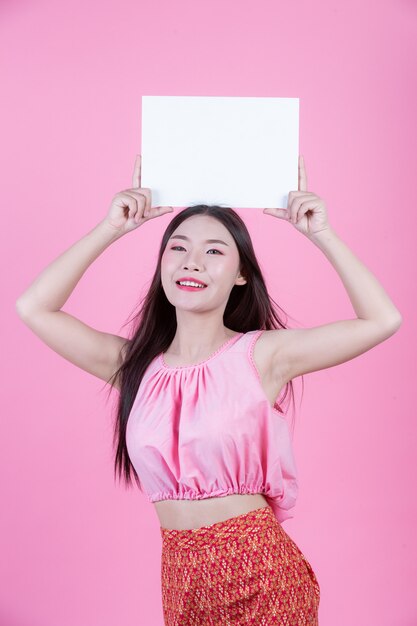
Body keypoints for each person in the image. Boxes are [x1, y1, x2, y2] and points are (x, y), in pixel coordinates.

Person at [16, 154, 402, 625]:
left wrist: (320, 233)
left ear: (242, 275)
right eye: (177, 248)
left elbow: (382, 320)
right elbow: (35, 306)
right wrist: (110, 228)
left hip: (260, 575)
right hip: (180, 580)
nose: (192, 262)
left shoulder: (263, 356)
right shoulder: (135, 367)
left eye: (215, 251)